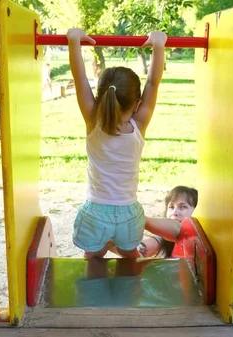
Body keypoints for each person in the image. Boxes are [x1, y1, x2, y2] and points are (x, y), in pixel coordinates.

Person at [67, 28, 167, 258]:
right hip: (129, 214)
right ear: (137, 103)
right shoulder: (138, 125)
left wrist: (74, 41)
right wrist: (158, 45)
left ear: (100, 98)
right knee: (130, 259)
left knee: (92, 259)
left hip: (95, 212)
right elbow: (153, 83)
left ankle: (92, 292)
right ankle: (132, 291)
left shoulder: (93, 120)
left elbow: (79, 78)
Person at [138, 186, 198, 258]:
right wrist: (139, 249)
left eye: (183, 207)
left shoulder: (202, 238)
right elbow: (149, 245)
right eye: (171, 207)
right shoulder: (164, 236)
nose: (174, 212)